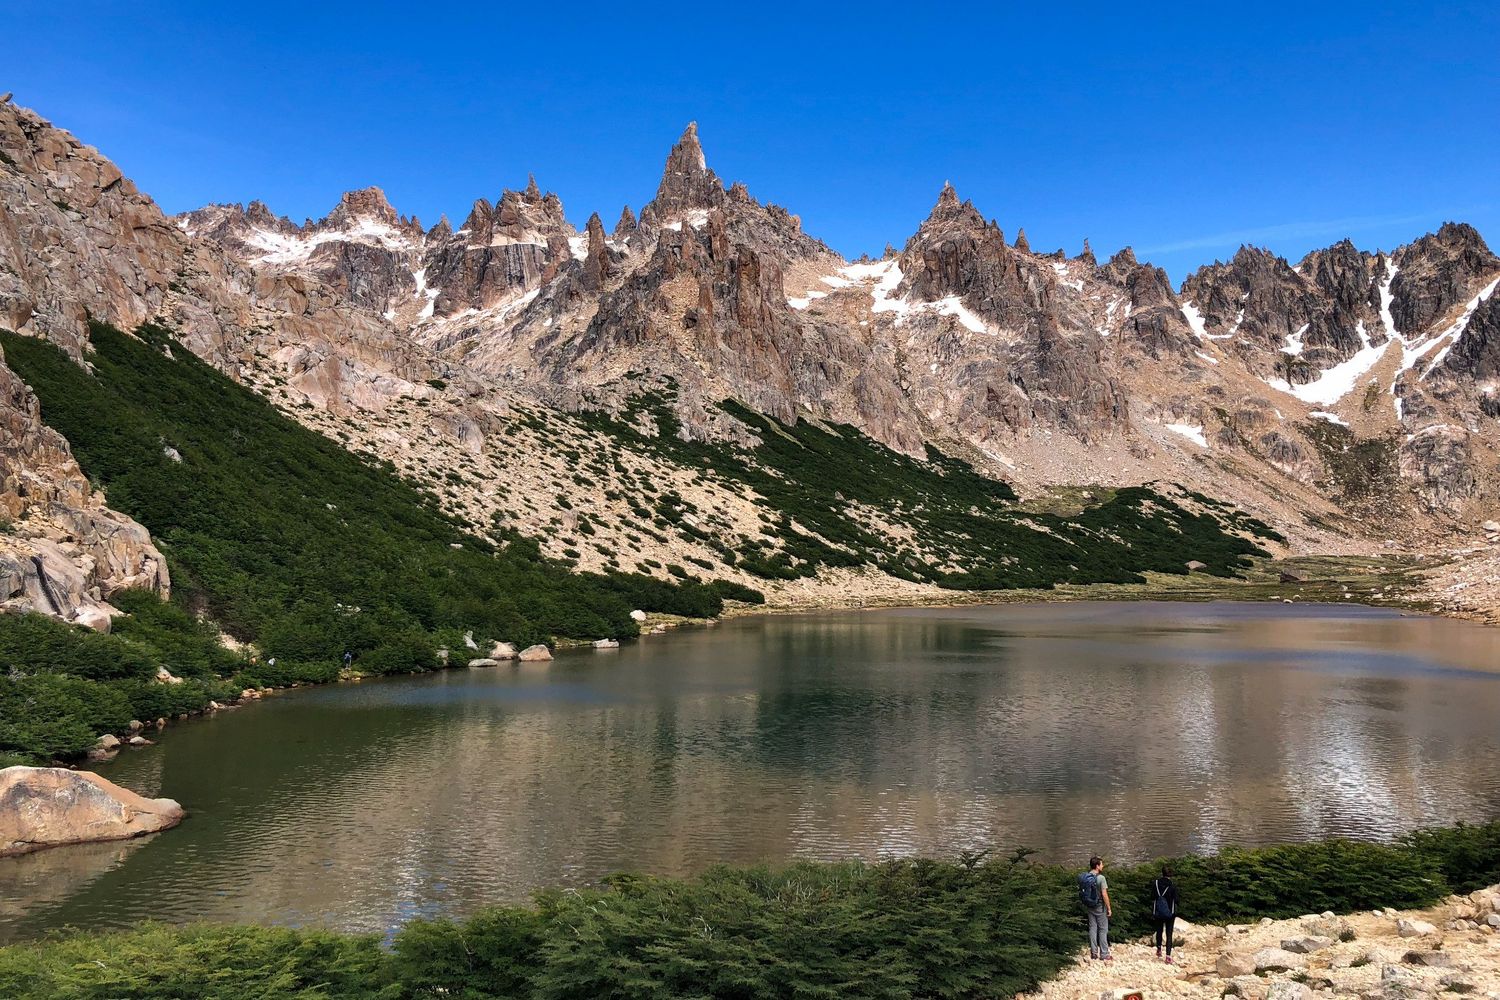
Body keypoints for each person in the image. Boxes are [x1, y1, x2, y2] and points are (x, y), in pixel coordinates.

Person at [1078, 855, 1112, 961]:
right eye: (1101, 864)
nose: (1103, 866)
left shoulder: (1086, 877)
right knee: (1103, 929)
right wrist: (1109, 908)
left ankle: (1093, 953)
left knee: (1092, 928)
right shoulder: (1101, 878)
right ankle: (1104, 954)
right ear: (1097, 866)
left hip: (1089, 905)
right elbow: (1104, 894)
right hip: (1099, 906)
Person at [1151, 864, 1180, 963]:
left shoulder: (1156, 883)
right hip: (1170, 912)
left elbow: (1152, 896)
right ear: (1171, 874)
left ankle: (1159, 948)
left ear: (1162, 873)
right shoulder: (1172, 885)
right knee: (1169, 933)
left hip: (1158, 911)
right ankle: (1168, 956)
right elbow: (1176, 899)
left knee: (1159, 930)